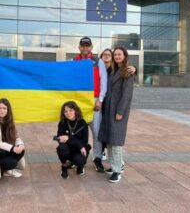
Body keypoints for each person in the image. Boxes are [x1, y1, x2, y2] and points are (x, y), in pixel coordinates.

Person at [73, 37, 135, 172]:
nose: (85, 47)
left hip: (94, 101)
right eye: (82, 45)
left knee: (97, 133)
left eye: (87, 45)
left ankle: (97, 158)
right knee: (76, 132)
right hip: (78, 103)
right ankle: (76, 158)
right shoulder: (73, 61)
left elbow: (104, 82)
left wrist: (100, 100)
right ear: (79, 47)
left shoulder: (98, 61)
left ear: (91, 47)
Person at [98, 46, 134, 183]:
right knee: (109, 139)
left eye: (120, 54)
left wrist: (120, 111)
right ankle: (114, 165)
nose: (117, 56)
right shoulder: (112, 70)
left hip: (118, 111)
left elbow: (127, 94)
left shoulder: (128, 71)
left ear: (124, 56)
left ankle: (117, 171)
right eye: (116, 54)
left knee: (116, 140)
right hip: (108, 109)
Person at [56, 101, 90, 179]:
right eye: (66, 111)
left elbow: (84, 141)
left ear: (75, 110)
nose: (68, 113)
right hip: (67, 149)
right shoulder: (62, 123)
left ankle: (79, 166)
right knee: (61, 148)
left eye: (71, 110)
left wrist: (68, 138)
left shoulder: (82, 123)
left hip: (79, 150)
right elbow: (59, 139)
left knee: (80, 160)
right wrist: (75, 142)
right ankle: (64, 167)